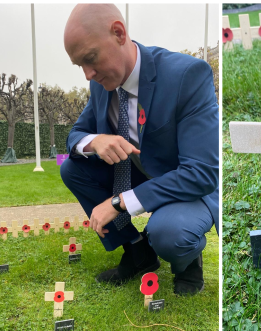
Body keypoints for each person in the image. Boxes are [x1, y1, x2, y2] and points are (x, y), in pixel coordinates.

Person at [61, 3, 219, 295]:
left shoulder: (187, 76)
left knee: (169, 233)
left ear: (119, 33)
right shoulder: (101, 83)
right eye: (79, 65)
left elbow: (202, 173)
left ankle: (187, 262)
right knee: (72, 169)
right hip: (138, 173)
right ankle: (138, 252)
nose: (87, 74)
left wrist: (119, 202)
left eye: (90, 58)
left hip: (184, 183)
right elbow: (75, 136)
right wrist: (95, 141)